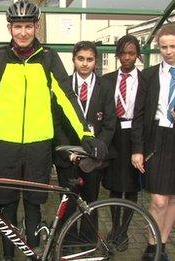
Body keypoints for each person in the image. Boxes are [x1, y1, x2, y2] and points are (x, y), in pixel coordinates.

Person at [0, 1, 105, 259]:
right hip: (5, 144)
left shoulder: (48, 58)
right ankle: (10, 256)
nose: (23, 32)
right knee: (7, 205)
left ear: (36, 27)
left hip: (38, 145)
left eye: (28, 26)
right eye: (17, 27)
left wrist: (85, 134)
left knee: (34, 205)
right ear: (9, 28)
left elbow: (67, 98)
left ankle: (34, 252)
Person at [131, 24, 175, 260]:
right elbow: (139, 114)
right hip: (156, 139)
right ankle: (152, 246)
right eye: (163, 47)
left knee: (173, 196)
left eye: (173, 46)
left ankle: (162, 244)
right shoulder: (149, 75)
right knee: (158, 199)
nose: (168, 51)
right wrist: (137, 149)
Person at [53, 40, 115, 246]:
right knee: (68, 202)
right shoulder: (63, 85)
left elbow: (109, 123)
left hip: (93, 158)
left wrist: (97, 149)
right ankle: (68, 243)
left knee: (90, 202)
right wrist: (68, 152)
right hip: (69, 156)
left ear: (95, 61)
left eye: (89, 59)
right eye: (81, 59)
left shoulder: (105, 86)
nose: (85, 64)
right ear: (73, 60)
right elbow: (57, 123)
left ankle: (88, 243)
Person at [101, 34, 142, 250]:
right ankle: (114, 228)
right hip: (113, 135)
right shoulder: (106, 80)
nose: (127, 58)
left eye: (132, 53)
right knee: (115, 185)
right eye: (123, 53)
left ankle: (124, 230)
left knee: (132, 186)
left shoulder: (146, 80)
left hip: (135, 136)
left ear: (137, 55)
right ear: (117, 55)